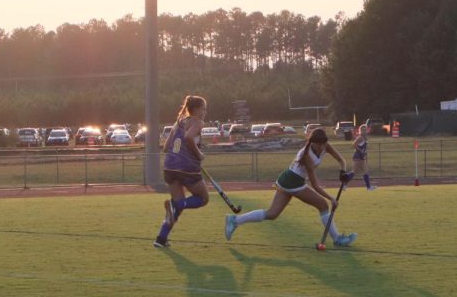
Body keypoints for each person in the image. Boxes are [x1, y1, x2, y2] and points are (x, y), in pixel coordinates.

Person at [225, 127, 357, 246]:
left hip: (286, 180)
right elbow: (315, 186)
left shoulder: (325, 146)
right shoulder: (306, 157)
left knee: (272, 214)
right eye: (319, 144)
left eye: (323, 144)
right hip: (293, 182)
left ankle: (235, 220)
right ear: (312, 142)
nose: (322, 147)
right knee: (323, 205)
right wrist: (331, 198)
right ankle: (337, 239)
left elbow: (341, 160)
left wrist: (342, 172)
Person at [155, 95, 210, 248]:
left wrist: (182, 153)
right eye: (203, 109)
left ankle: (161, 238)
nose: (205, 112)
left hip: (169, 167)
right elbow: (188, 137)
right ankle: (177, 206)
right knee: (203, 199)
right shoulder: (198, 122)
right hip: (187, 169)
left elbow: (166, 147)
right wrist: (198, 154)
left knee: (177, 205)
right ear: (197, 109)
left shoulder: (178, 122)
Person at [352, 121, 376, 190]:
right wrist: (361, 151)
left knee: (365, 171)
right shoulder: (360, 137)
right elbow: (353, 144)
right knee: (354, 171)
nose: (364, 131)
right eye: (363, 130)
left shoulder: (364, 138)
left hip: (361, 157)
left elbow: (362, 147)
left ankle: (369, 187)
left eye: (365, 130)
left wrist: (364, 151)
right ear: (360, 131)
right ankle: (344, 183)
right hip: (358, 157)